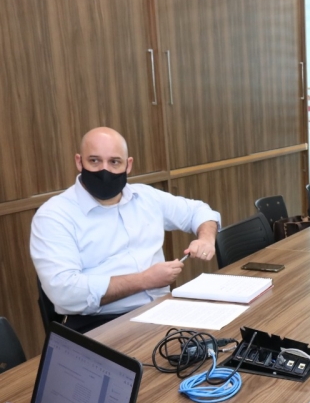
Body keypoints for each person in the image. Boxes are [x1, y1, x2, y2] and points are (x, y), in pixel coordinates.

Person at [30, 127, 221, 333]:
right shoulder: (53, 215)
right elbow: (64, 291)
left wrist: (205, 238)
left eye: (114, 162)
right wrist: (144, 280)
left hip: (161, 310)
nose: (104, 170)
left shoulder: (146, 197)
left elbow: (199, 212)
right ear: (79, 162)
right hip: (99, 323)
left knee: (223, 338)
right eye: (94, 161)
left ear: (128, 165)